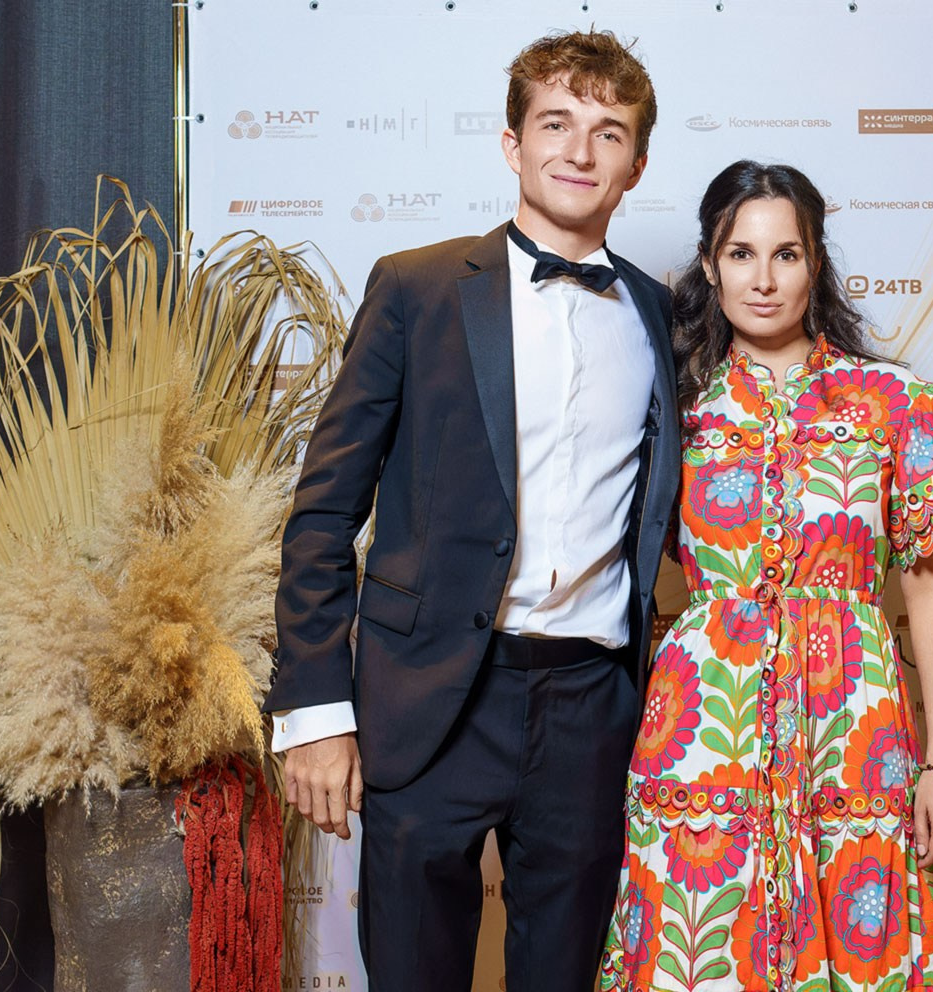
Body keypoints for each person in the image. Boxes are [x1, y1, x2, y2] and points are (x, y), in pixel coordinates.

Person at [265, 30, 678, 992]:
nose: (580, 151)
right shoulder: (416, 288)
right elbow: (323, 513)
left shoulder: (661, 315)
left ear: (636, 165)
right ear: (512, 143)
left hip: (592, 706)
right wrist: (314, 710)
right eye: (556, 124)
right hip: (431, 696)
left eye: (609, 132)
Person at [599, 161, 933, 992]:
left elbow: (929, 586)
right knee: (701, 947)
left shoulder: (893, 403)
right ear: (709, 264)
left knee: (867, 944)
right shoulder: (671, 408)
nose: (763, 279)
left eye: (785, 254)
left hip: (854, 728)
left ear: (816, 263)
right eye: (741, 254)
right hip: (703, 730)